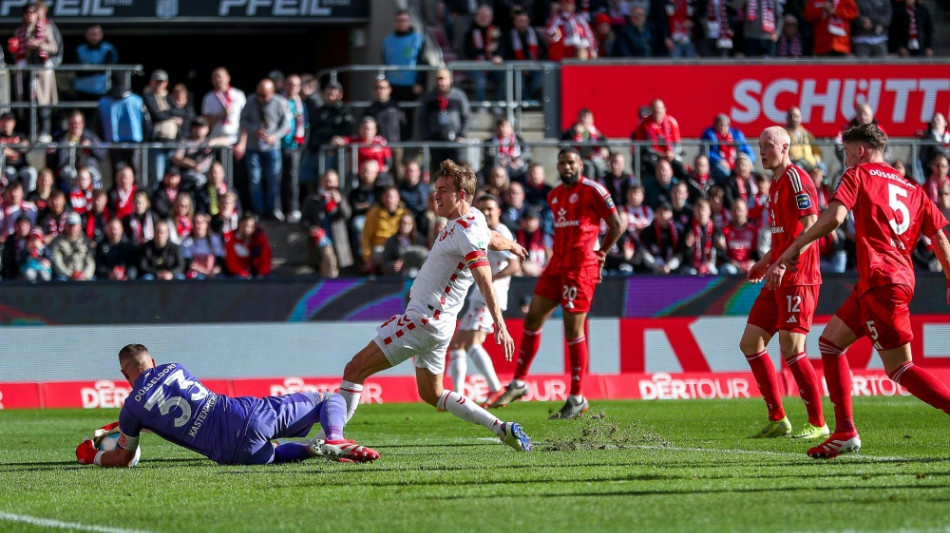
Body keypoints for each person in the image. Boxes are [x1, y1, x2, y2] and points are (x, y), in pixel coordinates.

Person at [771, 123, 950, 459]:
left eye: (848, 152)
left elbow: (834, 218)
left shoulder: (858, 175)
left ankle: (846, 430)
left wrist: (795, 246)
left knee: (900, 368)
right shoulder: (913, 189)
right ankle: (844, 432)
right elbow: (940, 238)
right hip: (888, 280)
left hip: (882, 281)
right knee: (830, 342)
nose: (846, 158)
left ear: (862, 151)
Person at [330, 160, 533, 452]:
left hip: (424, 319)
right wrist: (512, 245)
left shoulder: (466, 232)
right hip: (438, 324)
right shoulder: (472, 219)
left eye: (443, 191)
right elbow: (493, 237)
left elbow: (484, 277)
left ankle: (336, 439)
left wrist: (499, 322)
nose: (436, 195)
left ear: (461, 195)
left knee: (354, 369)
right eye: (436, 189)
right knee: (432, 394)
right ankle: (501, 428)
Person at [75, 343, 379, 467]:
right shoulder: (174, 367)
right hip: (244, 414)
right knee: (327, 399)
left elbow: (123, 458)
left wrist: (94, 458)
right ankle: (335, 436)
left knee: (271, 453)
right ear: (152, 362)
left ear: (124, 375)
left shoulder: (131, 410)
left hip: (229, 453)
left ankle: (311, 449)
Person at [490, 148, 625, 419]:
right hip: (557, 264)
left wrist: (601, 254)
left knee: (572, 329)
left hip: (580, 266)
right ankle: (518, 383)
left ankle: (577, 397)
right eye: (562, 163)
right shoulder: (554, 195)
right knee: (533, 319)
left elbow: (617, 224)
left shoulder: (594, 190)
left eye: (570, 162)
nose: (566, 167)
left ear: (580, 165)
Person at [737, 126, 827, 439]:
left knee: (791, 347)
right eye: (760, 146)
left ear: (785, 147)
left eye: (768, 145)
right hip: (778, 274)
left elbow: (811, 226)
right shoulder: (775, 185)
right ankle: (778, 418)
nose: (762, 151)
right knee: (751, 343)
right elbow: (782, 235)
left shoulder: (794, 178)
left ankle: (818, 423)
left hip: (799, 276)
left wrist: (782, 264)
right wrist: (764, 263)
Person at [448, 194, 521, 405]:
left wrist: (489, 281)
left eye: (490, 208)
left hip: (490, 297)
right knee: (457, 344)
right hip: (478, 296)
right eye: (483, 209)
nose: (487, 212)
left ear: (499, 211)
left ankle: (495, 388)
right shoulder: (482, 230)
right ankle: (458, 395)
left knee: (472, 343)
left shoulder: (501, 232)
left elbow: (515, 265)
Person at [235, 78, 291, 220]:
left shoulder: (279, 102)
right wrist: (254, 130)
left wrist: (274, 137)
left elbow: (286, 124)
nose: (260, 98)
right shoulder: (251, 101)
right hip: (253, 147)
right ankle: (258, 211)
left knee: (273, 178)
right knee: (255, 179)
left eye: (264, 95)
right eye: (259, 94)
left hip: (272, 147)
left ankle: (272, 209)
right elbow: (242, 120)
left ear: (272, 93)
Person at [9, 2, 58, 140]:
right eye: (27, 13)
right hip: (25, 72)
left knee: (43, 105)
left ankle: (44, 133)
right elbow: (17, 53)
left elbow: (54, 48)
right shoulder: (19, 30)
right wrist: (14, 49)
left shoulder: (45, 28)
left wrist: (38, 45)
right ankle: (31, 133)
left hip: (41, 73)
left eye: (32, 12)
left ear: (37, 14)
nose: (30, 15)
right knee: (27, 105)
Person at [300, 169, 352, 277]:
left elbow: (347, 215)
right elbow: (303, 221)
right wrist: (311, 228)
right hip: (321, 238)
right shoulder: (312, 199)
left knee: (332, 265)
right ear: (321, 182)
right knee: (330, 259)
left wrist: (340, 203)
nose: (329, 184)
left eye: (332, 181)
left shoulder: (341, 198)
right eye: (327, 181)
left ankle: (327, 286)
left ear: (337, 183)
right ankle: (330, 286)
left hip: (338, 240)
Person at [419, 68, 470, 174]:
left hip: (454, 140)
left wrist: (462, 134)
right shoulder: (429, 98)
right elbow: (422, 118)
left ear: (450, 80)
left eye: (443, 79)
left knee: (456, 171)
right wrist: (426, 136)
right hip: (436, 140)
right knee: (439, 171)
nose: (441, 82)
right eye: (438, 79)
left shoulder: (459, 96)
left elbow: (466, 116)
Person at [382, 9, 427, 127]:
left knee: (408, 115)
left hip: (410, 85)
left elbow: (422, 61)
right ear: (395, 22)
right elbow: (385, 63)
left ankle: (406, 142)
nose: (401, 23)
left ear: (409, 22)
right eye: (399, 20)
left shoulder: (418, 39)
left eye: (404, 20)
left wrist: (420, 82)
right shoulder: (388, 41)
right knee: (392, 114)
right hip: (392, 84)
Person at [96, 72, 147, 174]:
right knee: (127, 171)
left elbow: (98, 125)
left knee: (127, 170)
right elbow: (146, 123)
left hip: (124, 141)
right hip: (123, 141)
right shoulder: (137, 100)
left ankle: (135, 189)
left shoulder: (104, 102)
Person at [143, 69, 185, 184]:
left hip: (172, 143)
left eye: (162, 82)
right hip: (157, 143)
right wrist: (172, 115)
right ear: (151, 82)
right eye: (157, 81)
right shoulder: (148, 97)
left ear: (166, 83)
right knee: (158, 178)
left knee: (173, 179)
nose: (159, 84)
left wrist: (166, 112)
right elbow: (157, 115)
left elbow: (181, 112)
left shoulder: (169, 98)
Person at [48, 110, 106, 188]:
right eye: (72, 123)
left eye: (77, 123)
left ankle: (93, 196)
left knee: (89, 175)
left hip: (87, 167)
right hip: (67, 168)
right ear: (68, 124)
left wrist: (91, 146)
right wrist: (51, 153)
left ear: (82, 124)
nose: (75, 126)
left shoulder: (90, 136)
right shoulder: (60, 137)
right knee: (69, 174)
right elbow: (53, 162)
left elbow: (102, 154)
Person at [279, 74, 308, 224]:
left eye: (295, 85)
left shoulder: (301, 105)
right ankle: (278, 209)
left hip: (294, 147)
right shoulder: (278, 101)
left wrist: (301, 147)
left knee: (293, 179)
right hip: (278, 147)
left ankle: (293, 209)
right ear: (285, 85)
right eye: (289, 84)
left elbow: (306, 127)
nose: (292, 88)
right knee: (277, 179)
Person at [361, 186, 410, 273]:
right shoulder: (374, 213)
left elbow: (411, 234)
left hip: (398, 248)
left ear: (398, 198)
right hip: (380, 248)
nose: (389, 200)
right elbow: (365, 237)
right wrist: (367, 258)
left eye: (392, 197)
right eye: (387, 197)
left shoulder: (405, 213)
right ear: (382, 198)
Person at [632, 99, 684, 179]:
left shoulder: (672, 122)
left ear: (664, 109)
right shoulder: (644, 124)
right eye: (655, 108)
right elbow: (641, 145)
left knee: (680, 166)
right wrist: (659, 154)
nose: (658, 111)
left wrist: (672, 153)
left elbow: (678, 144)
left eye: (660, 108)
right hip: (653, 155)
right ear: (651, 110)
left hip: (670, 154)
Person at [702, 114, 756, 183]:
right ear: (715, 125)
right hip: (720, 163)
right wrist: (719, 160)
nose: (722, 127)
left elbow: (749, 151)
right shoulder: (710, 135)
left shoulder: (736, 135)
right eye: (719, 124)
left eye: (724, 125)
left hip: (737, 162)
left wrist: (747, 161)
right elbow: (707, 152)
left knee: (750, 172)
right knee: (724, 173)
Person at [201, 67, 246, 146]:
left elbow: (246, 119)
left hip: (235, 137)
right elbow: (206, 122)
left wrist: (243, 142)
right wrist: (221, 115)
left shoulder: (238, 95)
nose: (218, 79)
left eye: (220, 76)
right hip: (216, 136)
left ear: (228, 78)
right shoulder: (208, 98)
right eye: (215, 77)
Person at [72, 24, 118, 102]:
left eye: (96, 35)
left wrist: (87, 69)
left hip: (102, 90)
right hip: (82, 90)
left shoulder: (108, 49)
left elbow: (106, 69)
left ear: (101, 35)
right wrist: (96, 69)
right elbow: (78, 71)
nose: (93, 37)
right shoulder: (79, 50)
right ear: (86, 35)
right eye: (91, 34)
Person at [49, 211, 95, 281]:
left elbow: (90, 262)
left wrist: (85, 275)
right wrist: (70, 275)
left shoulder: (86, 242)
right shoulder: (57, 242)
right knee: (59, 280)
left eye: (75, 225)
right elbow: (57, 262)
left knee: (94, 280)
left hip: (83, 275)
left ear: (80, 226)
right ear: (65, 226)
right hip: (65, 275)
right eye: (69, 225)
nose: (72, 228)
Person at [482, 118, 530, 183]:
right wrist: (499, 160)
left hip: (518, 168)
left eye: (505, 127)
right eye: (501, 126)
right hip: (498, 168)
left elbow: (528, 153)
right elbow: (488, 155)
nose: (503, 129)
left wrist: (518, 159)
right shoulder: (490, 141)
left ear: (511, 128)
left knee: (525, 176)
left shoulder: (519, 140)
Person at [380, 213, 428, 277]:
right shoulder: (391, 241)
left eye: (407, 223)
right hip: (398, 275)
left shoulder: (419, 240)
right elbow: (385, 262)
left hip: (417, 274)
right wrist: (394, 265)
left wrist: (404, 261)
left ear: (412, 225)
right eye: (402, 223)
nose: (404, 225)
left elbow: (423, 257)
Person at [225, 212, 272, 278]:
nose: (247, 229)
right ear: (239, 225)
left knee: (270, 279)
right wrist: (244, 274)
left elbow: (266, 259)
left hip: (258, 272)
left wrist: (262, 274)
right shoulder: (232, 238)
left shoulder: (261, 239)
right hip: (240, 274)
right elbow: (231, 262)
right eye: (244, 226)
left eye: (251, 226)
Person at [719, 201, 760, 275]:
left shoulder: (753, 231)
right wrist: (734, 263)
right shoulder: (724, 230)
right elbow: (720, 254)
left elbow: (756, 252)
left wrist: (753, 261)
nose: (737, 213)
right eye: (734, 210)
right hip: (731, 266)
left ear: (746, 211)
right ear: (731, 212)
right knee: (728, 270)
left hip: (748, 266)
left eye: (740, 210)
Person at [0, 112, 37, 191]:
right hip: (6, 166)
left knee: (31, 172)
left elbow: (27, 146)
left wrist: (9, 150)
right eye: (4, 120)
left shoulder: (20, 135)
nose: (6, 123)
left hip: (22, 166)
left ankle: (28, 197)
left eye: (9, 121)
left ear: (14, 123)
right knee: (10, 172)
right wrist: (17, 149)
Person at [181, 213, 224, 280]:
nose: (198, 226)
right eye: (195, 223)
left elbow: (220, 262)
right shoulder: (187, 242)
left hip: (213, 274)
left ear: (206, 224)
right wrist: (205, 272)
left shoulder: (214, 239)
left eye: (200, 223)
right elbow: (188, 264)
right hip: (196, 275)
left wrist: (214, 272)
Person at [786, 106, 822, 171]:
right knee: (798, 169)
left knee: (822, 168)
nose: (794, 119)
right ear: (787, 118)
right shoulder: (783, 134)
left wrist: (816, 159)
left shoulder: (807, 134)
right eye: (791, 116)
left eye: (796, 116)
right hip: (794, 163)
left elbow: (817, 151)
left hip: (810, 162)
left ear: (800, 118)